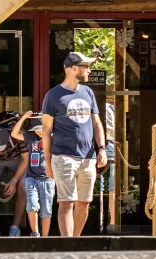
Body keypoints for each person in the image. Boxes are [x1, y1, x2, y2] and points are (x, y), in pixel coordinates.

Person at [41, 52, 107, 237]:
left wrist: (101, 148)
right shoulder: (53, 95)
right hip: (63, 156)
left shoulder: (88, 92)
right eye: (85, 66)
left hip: (88, 157)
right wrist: (47, 162)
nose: (89, 70)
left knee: (84, 204)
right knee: (66, 202)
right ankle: (67, 246)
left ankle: (75, 244)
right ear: (73, 68)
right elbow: (46, 130)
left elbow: (96, 123)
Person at [9, 107, 54, 237]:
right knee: (32, 206)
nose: (39, 132)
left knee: (46, 210)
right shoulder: (30, 137)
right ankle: (35, 233)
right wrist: (23, 118)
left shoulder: (53, 137)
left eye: (41, 128)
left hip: (47, 178)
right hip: (31, 177)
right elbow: (14, 133)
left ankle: (44, 237)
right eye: (36, 129)